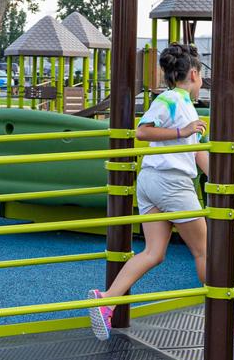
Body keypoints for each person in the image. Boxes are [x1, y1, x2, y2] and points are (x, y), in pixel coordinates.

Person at [89, 43, 209, 340]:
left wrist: (233, 177)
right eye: (202, 76)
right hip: (171, 183)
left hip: (153, 182)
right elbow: (143, 130)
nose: (202, 81)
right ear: (193, 74)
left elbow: (196, 154)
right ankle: (224, 315)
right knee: (205, 251)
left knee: (154, 253)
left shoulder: (185, 107)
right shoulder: (171, 99)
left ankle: (107, 301)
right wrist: (183, 131)